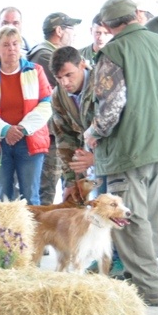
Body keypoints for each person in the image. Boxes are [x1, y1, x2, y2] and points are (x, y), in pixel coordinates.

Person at [83, 0, 158, 307]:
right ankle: (142, 281)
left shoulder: (113, 51)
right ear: (136, 15)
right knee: (148, 219)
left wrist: (93, 133)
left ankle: (149, 289)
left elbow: (111, 106)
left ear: (107, 25)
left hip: (128, 149)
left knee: (127, 220)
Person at [0, 25, 53, 206]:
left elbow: (46, 105)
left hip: (30, 141)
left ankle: (31, 227)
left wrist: (22, 128)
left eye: (15, 44)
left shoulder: (36, 71)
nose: (12, 49)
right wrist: (5, 130)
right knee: (2, 197)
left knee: (30, 197)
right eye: (6, 45)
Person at [29, 13, 81, 205]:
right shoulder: (45, 55)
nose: (74, 34)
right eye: (71, 29)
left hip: (57, 133)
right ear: (59, 31)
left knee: (66, 190)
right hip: (51, 134)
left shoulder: (43, 53)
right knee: (47, 193)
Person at [49, 46, 94, 202]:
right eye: (59, 77)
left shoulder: (101, 84)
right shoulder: (58, 96)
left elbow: (117, 129)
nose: (65, 82)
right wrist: (70, 181)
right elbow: (64, 138)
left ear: (82, 65)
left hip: (117, 160)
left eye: (69, 75)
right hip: (87, 161)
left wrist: (96, 159)